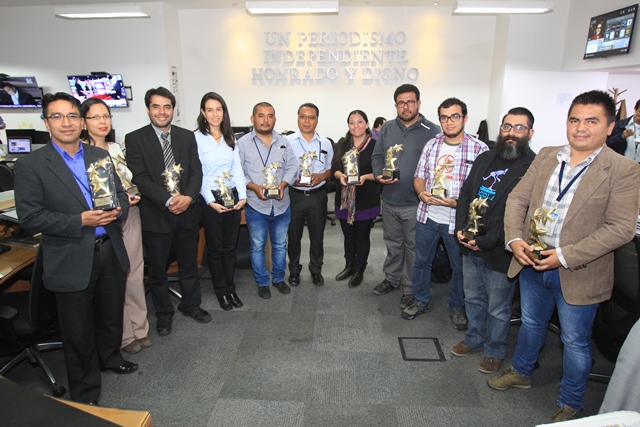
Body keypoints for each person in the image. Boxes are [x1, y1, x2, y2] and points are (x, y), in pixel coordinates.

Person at [488, 90, 640, 423]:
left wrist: (564, 256)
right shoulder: (546, 155)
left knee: (574, 341)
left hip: (579, 271)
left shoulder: (623, 170)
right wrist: (514, 238)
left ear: (610, 125)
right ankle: (523, 372)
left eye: (591, 121)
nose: (580, 128)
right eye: (574, 120)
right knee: (530, 323)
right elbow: (516, 200)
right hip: (531, 260)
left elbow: (620, 229)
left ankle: (570, 402)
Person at [14, 92, 137, 404]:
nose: (65, 122)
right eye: (57, 116)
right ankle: (85, 393)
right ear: (46, 123)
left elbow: (120, 195)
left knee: (110, 317)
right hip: (70, 256)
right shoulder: (31, 165)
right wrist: (78, 220)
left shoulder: (99, 157)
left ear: (82, 123)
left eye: (71, 116)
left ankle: (110, 358)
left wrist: (118, 209)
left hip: (109, 248)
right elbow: (30, 216)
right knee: (78, 332)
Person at [451, 107, 536, 373]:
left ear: (530, 133)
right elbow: (466, 193)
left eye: (519, 128)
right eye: (507, 127)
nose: (511, 133)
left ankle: (495, 350)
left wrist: (487, 241)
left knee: (498, 307)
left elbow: (519, 216)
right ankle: (475, 338)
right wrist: (461, 228)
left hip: (501, 249)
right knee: (473, 297)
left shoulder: (532, 167)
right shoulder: (485, 157)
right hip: (471, 243)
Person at [125, 87, 211, 337]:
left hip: (187, 213)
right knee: (158, 270)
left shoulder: (186, 137)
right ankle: (163, 314)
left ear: (173, 109)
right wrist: (168, 201)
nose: (162, 112)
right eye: (156, 106)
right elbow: (139, 177)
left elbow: (196, 171)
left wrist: (188, 198)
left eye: (167, 107)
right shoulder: (135, 139)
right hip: (155, 215)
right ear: (148, 109)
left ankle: (191, 305)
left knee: (188, 264)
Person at [403, 98, 488, 330]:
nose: (449, 122)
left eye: (455, 116)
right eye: (444, 117)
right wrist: (421, 193)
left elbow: (484, 191)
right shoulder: (432, 145)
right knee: (421, 262)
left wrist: (458, 203)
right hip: (428, 216)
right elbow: (419, 176)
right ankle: (420, 300)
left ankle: (456, 306)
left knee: (459, 268)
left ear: (465, 118)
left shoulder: (480, 149)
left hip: (457, 221)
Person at [80, 98, 151, 355]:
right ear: (84, 122)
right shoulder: (80, 153)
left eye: (106, 116)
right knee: (114, 277)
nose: (102, 122)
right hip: (103, 222)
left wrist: (134, 195)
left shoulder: (118, 148)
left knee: (134, 271)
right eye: (95, 117)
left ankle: (140, 327)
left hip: (130, 213)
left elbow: (128, 180)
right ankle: (124, 335)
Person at [371, 84, 440, 309]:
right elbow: (377, 156)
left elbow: (438, 166)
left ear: (419, 103)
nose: (406, 106)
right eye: (401, 102)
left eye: (410, 102)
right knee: (393, 243)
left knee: (413, 247)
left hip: (415, 203)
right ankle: (391, 278)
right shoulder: (387, 128)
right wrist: (378, 174)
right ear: (395, 105)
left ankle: (410, 288)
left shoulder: (432, 130)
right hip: (390, 199)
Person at [237, 102, 297, 299]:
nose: (266, 120)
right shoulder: (243, 143)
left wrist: (283, 184)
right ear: (253, 119)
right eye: (261, 116)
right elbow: (238, 173)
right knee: (257, 246)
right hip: (256, 205)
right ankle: (262, 282)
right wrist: (254, 187)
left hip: (281, 204)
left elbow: (292, 167)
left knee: (280, 245)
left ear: (275, 119)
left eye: (270, 116)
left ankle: (278, 279)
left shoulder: (283, 141)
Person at [194, 92, 246, 310]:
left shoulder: (230, 137)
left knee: (229, 247)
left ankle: (230, 288)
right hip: (211, 198)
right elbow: (199, 173)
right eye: (210, 110)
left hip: (232, 195)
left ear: (224, 112)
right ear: (203, 113)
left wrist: (242, 196)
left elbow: (236, 169)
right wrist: (209, 201)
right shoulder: (195, 138)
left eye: (219, 109)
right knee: (215, 249)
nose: (215, 114)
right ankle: (221, 291)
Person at [332, 110, 381, 287]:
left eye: (360, 122)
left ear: (367, 124)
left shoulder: (376, 145)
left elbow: (381, 172)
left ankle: (360, 269)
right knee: (348, 236)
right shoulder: (343, 143)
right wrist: (340, 176)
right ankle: (349, 266)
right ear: (348, 126)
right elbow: (334, 168)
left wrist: (365, 177)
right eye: (352, 122)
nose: (356, 126)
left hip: (366, 198)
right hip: (344, 200)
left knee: (362, 236)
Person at [286, 103, 334, 287]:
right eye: (303, 116)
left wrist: (322, 176)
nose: (307, 121)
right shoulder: (287, 142)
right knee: (294, 236)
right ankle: (294, 271)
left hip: (317, 196)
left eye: (311, 117)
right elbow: (281, 169)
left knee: (317, 236)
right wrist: (292, 179)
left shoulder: (325, 143)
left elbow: (330, 169)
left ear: (317, 120)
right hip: (295, 196)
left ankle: (316, 270)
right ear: (298, 118)